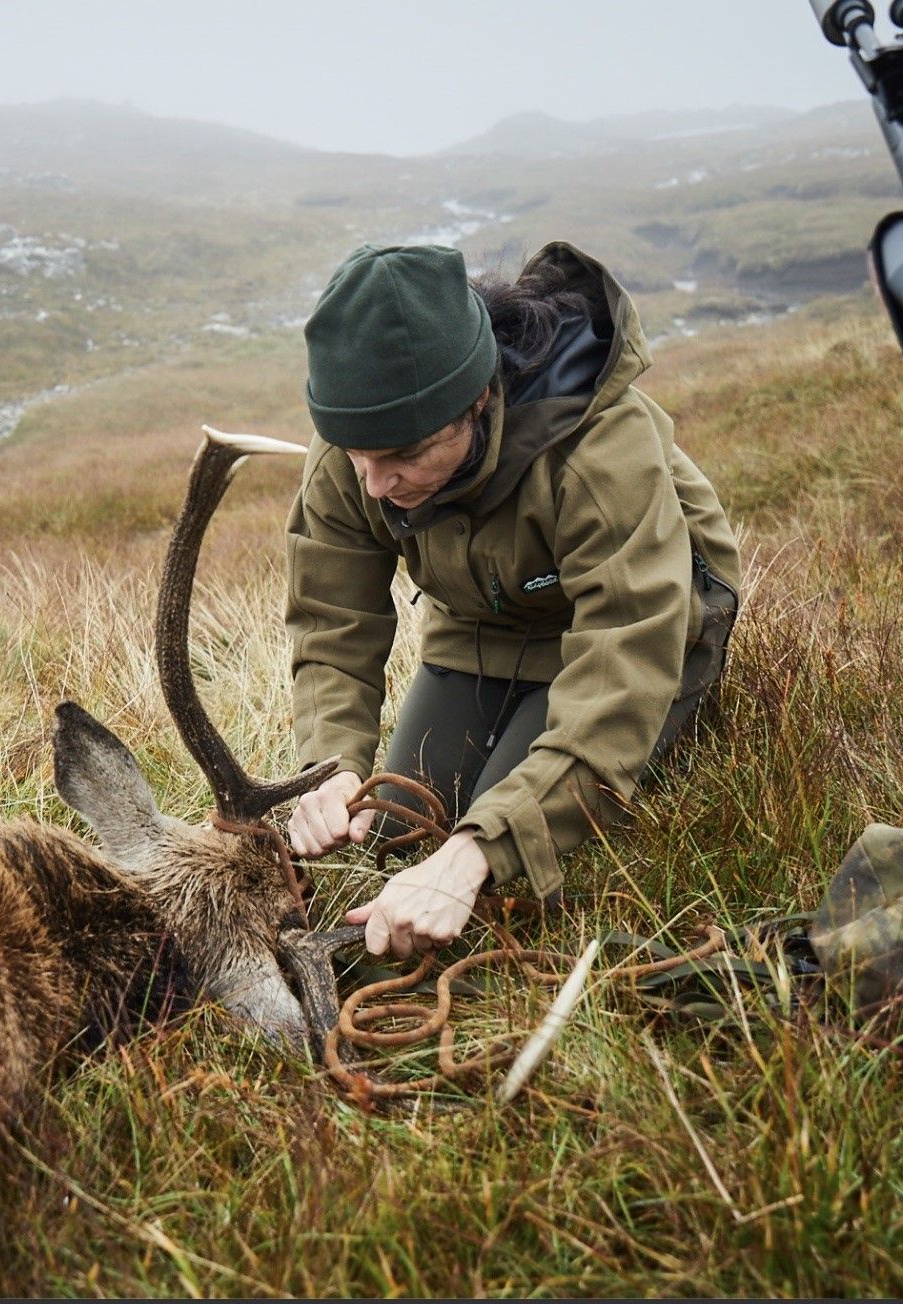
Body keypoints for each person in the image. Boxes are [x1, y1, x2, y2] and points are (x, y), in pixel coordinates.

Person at [283, 240, 741, 958]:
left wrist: (476, 854)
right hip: (482, 620)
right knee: (396, 833)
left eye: (404, 457)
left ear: (477, 401)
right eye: (357, 457)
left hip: (644, 621)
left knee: (501, 884)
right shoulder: (363, 438)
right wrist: (329, 766)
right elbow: (331, 623)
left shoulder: (596, 452)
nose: (374, 484)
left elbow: (623, 663)